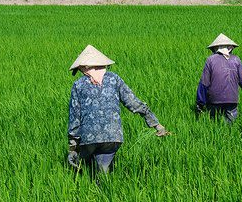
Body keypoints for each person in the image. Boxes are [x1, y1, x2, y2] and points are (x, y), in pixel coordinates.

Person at [67, 45, 169, 174]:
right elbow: (134, 103)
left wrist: (72, 147)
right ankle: (103, 187)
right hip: (113, 136)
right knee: (103, 170)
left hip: (88, 138)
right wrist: (156, 124)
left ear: (84, 67)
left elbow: (74, 117)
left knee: (82, 168)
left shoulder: (78, 84)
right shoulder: (114, 79)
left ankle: (83, 185)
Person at [196, 33, 242, 123]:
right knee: (231, 125)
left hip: (213, 99)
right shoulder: (236, 59)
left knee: (213, 124)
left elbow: (204, 83)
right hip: (232, 99)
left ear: (216, 48)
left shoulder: (210, 60)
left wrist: (200, 102)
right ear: (230, 47)